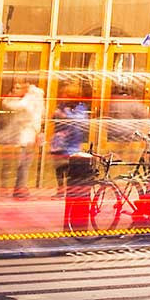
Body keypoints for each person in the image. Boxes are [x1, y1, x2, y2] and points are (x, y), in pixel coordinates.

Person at [54, 92, 98, 231]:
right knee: (61, 169)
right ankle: (62, 189)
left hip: (73, 146)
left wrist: (65, 115)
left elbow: (78, 123)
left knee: (72, 173)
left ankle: (76, 225)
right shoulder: (63, 108)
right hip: (62, 144)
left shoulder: (79, 109)